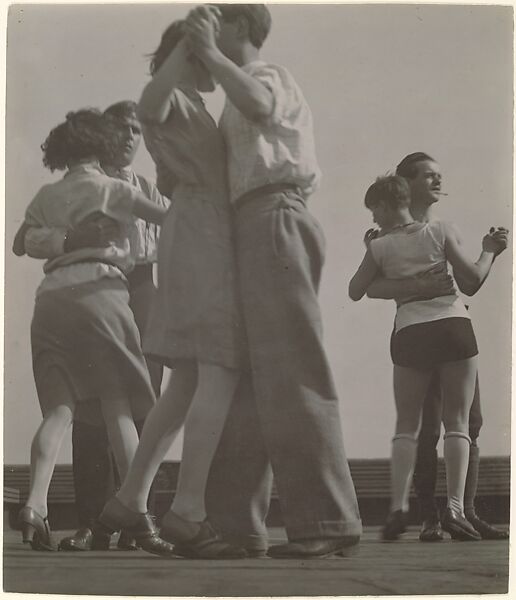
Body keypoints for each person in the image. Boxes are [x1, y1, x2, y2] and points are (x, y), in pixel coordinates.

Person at [184, 4, 362, 559]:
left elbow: (260, 106)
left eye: (217, 25)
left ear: (239, 28)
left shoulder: (266, 76)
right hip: (246, 225)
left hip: (274, 216)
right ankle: (238, 526)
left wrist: (209, 52)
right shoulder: (234, 95)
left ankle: (328, 521)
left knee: (291, 367)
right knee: (243, 377)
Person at [96, 20, 248, 559]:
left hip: (189, 230)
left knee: (184, 375)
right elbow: (148, 101)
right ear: (189, 51)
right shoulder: (172, 95)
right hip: (202, 230)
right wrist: (192, 44)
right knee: (219, 365)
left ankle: (130, 498)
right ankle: (186, 513)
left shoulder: (188, 101)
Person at [13, 109, 172, 554]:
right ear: (101, 145)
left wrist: (63, 237)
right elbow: (170, 219)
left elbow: (19, 241)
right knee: (118, 405)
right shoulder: (116, 189)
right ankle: (138, 513)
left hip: (51, 302)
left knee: (59, 411)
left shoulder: (47, 192)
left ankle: (35, 506)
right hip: (102, 295)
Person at [349, 174, 507, 542]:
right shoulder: (440, 231)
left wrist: (369, 251)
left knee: (407, 425)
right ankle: (455, 508)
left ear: (387, 205)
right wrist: (490, 250)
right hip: (453, 324)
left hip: (410, 331)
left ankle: (398, 507)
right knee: (459, 423)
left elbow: (356, 290)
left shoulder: (380, 246)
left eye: (374, 211)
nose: (374, 219)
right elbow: (472, 280)